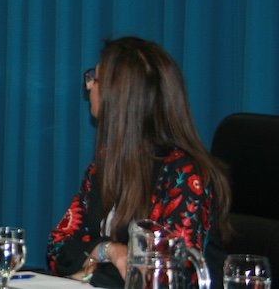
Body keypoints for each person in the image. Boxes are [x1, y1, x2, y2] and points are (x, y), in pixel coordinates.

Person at [47, 37, 232, 288]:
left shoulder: (185, 176)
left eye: (95, 79)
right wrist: (110, 251)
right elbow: (58, 248)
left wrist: (91, 273)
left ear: (120, 98)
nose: (88, 86)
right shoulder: (103, 166)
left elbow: (166, 276)